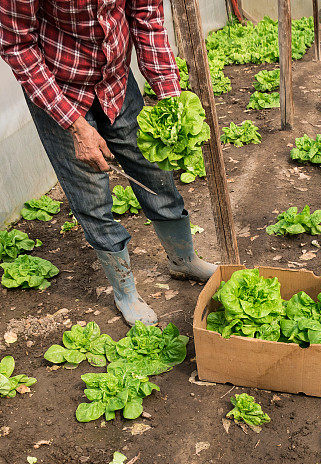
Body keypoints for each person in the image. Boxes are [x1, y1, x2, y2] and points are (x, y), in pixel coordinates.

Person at [0, 0, 216, 325]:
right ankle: (125, 291)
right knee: (91, 195)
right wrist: (75, 125)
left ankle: (183, 259)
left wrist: (170, 95)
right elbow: (17, 44)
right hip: (60, 90)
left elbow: (145, 15)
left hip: (115, 81)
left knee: (153, 172)